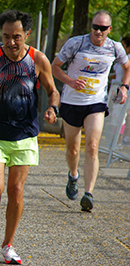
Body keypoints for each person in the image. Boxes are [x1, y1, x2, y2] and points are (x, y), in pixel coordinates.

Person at [0, 10, 60, 264]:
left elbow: (53, 91)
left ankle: (8, 244)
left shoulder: (38, 59)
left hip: (25, 133)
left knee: (16, 191)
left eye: (17, 37)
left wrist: (53, 108)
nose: (10, 42)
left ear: (27, 35)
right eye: (6, 36)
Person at [51, 10, 130, 212]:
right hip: (71, 101)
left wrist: (124, 86)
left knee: (92, 146)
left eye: (103, 28)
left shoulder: (115, 47)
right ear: (91, 27)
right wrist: (70, 81)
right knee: (73, 150)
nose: (98, 31)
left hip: (95, 102)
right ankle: (73, 175)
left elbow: (127, 67)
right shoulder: (76, 43)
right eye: (95, 27)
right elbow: (55, 67)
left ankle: (89, 194)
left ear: (109, 29)